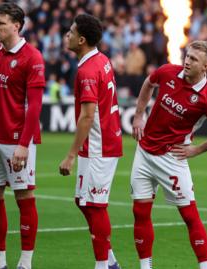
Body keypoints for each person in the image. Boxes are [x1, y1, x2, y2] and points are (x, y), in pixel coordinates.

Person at [130, 40, 207, 269]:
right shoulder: (169, 71)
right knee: (140, 212)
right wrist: (139, 116)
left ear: (205, 67)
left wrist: (196, 150)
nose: (187, 62)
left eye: (194, 59)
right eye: (187, 56)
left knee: (189, 216)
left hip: (172, 159)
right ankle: (145, 267)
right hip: (144, 153)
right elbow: (149, 83)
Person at [0, 3, 45, 269]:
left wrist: (23, 145)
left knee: (24, 198)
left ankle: (25, 263)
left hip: (18, 140)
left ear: (16, 25)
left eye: (1, 23)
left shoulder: (32, 57)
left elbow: (35, 106)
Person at [59, 14, 123, 269]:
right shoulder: (101, 59)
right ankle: (110, 261)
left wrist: (70, 155)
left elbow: (87, 116)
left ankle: (102, 265)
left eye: (71, 32)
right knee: (82, 201)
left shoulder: (87, 70)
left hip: (99, 145)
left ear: (81, 40)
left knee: (95, 206)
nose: (67, 35)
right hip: (101, 141)